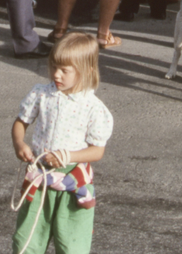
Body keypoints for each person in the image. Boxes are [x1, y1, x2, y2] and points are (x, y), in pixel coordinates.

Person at [11, 33, 112, 254]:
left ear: (87, 71)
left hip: (73, 182)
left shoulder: (93, 107)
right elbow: (21, 122)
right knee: (26, 242)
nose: (56, 74)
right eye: (54, 66)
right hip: (39, 179)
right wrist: (19, 143)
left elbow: (97, 151)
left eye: (65, 70)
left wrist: (69, 156)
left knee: (72, 246)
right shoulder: (41, 94)